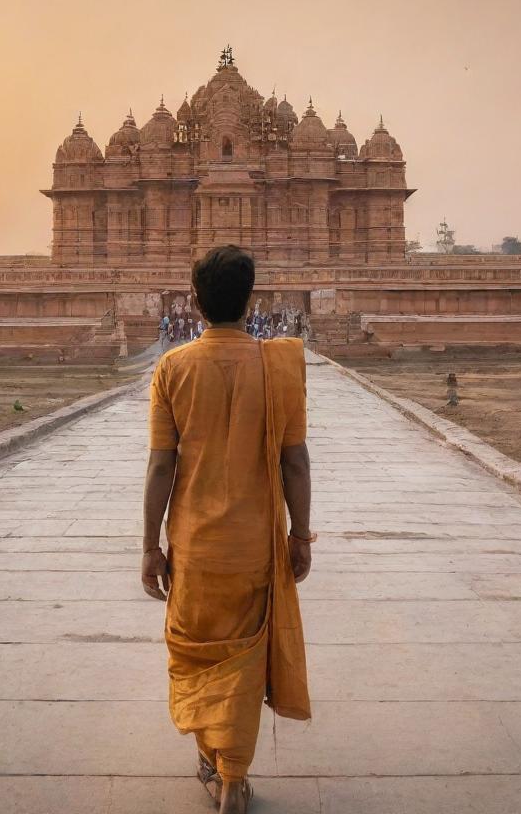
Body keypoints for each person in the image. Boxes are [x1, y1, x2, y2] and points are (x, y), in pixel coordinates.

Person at [143, 244, 313, 814]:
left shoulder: (172, 367)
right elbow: (296, 460)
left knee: (197, 653)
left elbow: (161, 465)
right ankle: (236, 774)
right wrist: (300, 535)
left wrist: (149, 546)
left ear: (195, 300)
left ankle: (214, 760)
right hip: (256, 541)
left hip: (194, 544)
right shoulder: (282, 363)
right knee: (245, 657)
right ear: (250, 299)